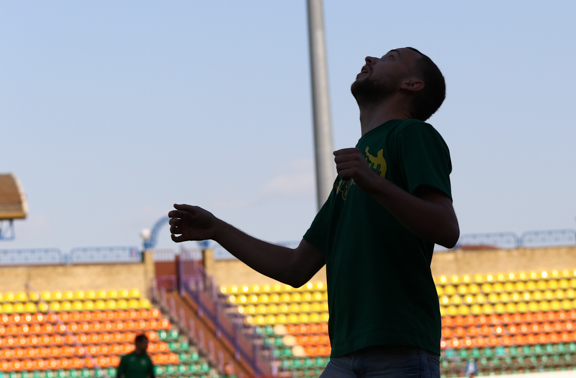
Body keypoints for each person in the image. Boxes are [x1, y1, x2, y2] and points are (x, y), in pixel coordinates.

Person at [169, 48, 459, 378]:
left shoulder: (412, 134)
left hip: (400, 350)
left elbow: (446, 228)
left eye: (390, 57)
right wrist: (217, 229)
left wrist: (373, 182)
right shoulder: (355, 170)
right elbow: (295, 267)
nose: (370, 58)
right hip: (345, 354)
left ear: (412, 84)